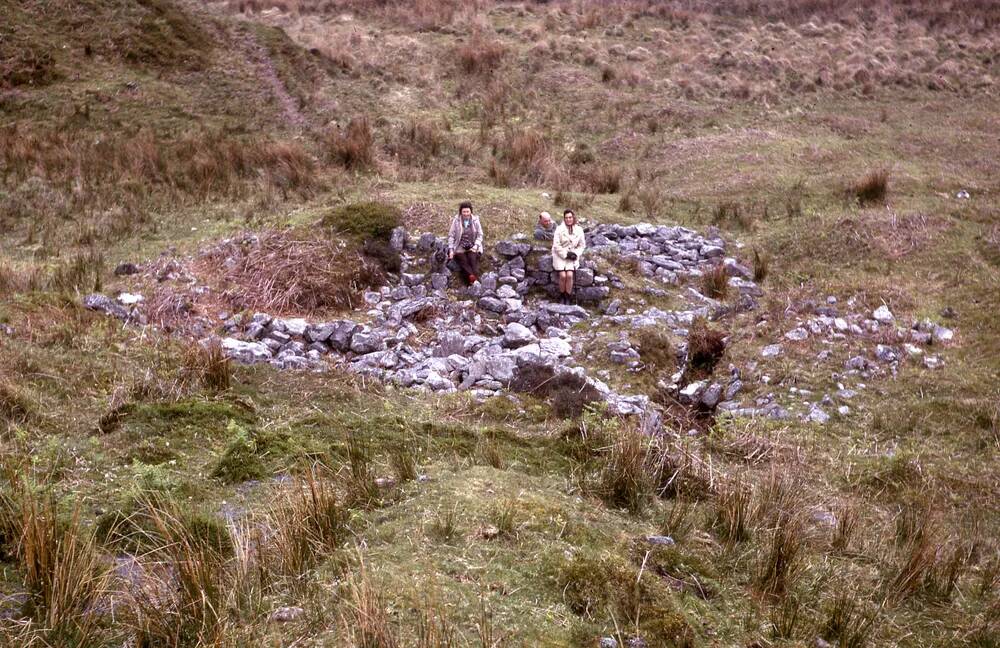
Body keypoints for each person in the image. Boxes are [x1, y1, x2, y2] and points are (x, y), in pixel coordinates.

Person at [552, 209, 586, 304]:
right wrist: (565, 254)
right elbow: (556, 245)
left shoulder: (579, 230)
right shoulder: (559, 229)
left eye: (570, 217)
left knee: (570, 275)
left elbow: (582, 245)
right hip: (560, 254)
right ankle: (562, 295)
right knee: (563, 275)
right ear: (564, 219)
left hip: (572, 255)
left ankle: (568, 296)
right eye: (566, 218)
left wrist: (576, 254)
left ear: (573, 218)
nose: (568, 219)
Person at [447, 201, 484, 284]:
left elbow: (480, 234)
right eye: (464, 211)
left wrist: (476, 245)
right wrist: (451, 250)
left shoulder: (475, 220)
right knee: (463, 261)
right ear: (461, 212)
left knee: (472, 260)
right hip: (460, 246)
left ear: (471, 211)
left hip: (473, 245)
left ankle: (472, 280)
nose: (466, 213)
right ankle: (475, 280)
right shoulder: (456, 221)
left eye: (467, 211)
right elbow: (451, 236)